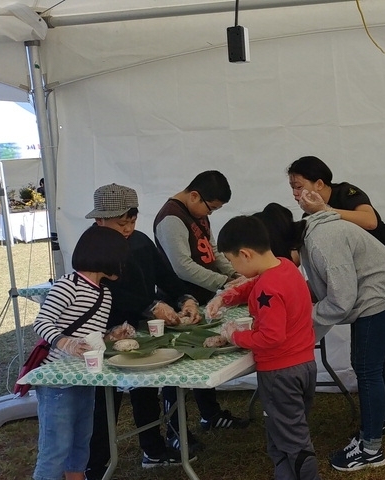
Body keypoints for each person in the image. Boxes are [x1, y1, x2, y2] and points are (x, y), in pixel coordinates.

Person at [269, 192, 385, 472]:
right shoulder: (310, 235)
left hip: (379, 296)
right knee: (372, 365)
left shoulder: (321, 242)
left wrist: (301, 319)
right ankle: (383, 420)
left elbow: (340, 301)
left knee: (367, 369)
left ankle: (371, 450)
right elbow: (327, 284)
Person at [289, 155, 385, 434]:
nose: (295, 193)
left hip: (380, 287)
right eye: (292, 188)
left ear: (320, 183)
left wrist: (326, 210)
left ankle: (375, 432)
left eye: (298, 186)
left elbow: (370, 221)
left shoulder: (345, 194)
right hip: (372, 286)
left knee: (368, 363)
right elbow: (299, 257)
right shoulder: (311, 217)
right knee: (376, 357)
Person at [83, 184, 203, 479]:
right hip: (105, 333)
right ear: (99, 220)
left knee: (145, 390)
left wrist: (185, 298)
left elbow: (164, 274)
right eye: (121, 223)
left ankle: (153, 449)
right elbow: (107, 293)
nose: (128, 228)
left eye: (132, 221)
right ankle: (95, 467)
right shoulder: (91, 249)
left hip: (141, 330)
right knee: (104, 403)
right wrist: (150, 305)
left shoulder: (139, 241)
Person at [208, 215, 320, 480]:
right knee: (285, 432)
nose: (233, 267)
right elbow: (253, 285)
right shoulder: (284, 266)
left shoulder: (267, 286)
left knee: (292, 441)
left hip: (280, 373)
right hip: (304, 365)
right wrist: (227, 296)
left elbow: (271, 337)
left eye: (232, 261)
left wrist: (235, 335)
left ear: (245, 254)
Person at [152, 170, 248, 446]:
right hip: (179, 301)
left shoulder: (197, 212)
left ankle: (210, 413)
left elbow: (213, 251)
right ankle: (175, 431)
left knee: (203, 353)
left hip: (204, 298)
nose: (211, 214)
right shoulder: (171, 218)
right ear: (194, 195)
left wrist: (234, 276)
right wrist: (223, 282)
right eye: (212, 207)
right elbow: (182, 266)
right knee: (173, 365)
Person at [31, 226, 129, 480]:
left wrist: (111, 335)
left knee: (81, 442)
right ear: (105, 256)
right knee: (55, 448)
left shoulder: (104, 293)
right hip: (56, 381)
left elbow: (91, 335)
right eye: (120, 258)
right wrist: (65, 342)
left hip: (85, 378)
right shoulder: (68, 285)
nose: (122, 265)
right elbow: (42, 322)